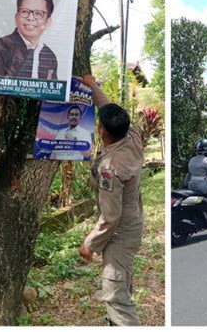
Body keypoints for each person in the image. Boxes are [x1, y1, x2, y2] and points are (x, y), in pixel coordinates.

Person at [78, 74, 143, 326]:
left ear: (101, 131)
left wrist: (90, 244)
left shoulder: (110, 168)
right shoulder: (132, 136)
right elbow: (107, 107)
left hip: (120, 232)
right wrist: (93, 85)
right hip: (132, 223)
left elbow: (111, 217)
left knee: (116, 297)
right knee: (121, 282)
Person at [0, 0, 58, 79]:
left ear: (47, 22)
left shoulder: (49, 56)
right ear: (16, 18)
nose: (30, 18)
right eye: (25, 12)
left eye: (38, 13)